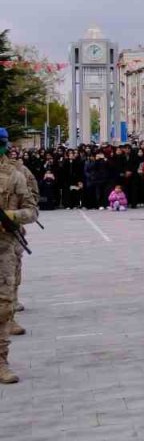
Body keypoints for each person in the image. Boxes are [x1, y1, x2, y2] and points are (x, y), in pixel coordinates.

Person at [0, 128, 38, 383]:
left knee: (3, 304)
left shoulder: (14, 175)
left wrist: (12, 217)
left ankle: (1, 361)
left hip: (4, 246)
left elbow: (32, 209)